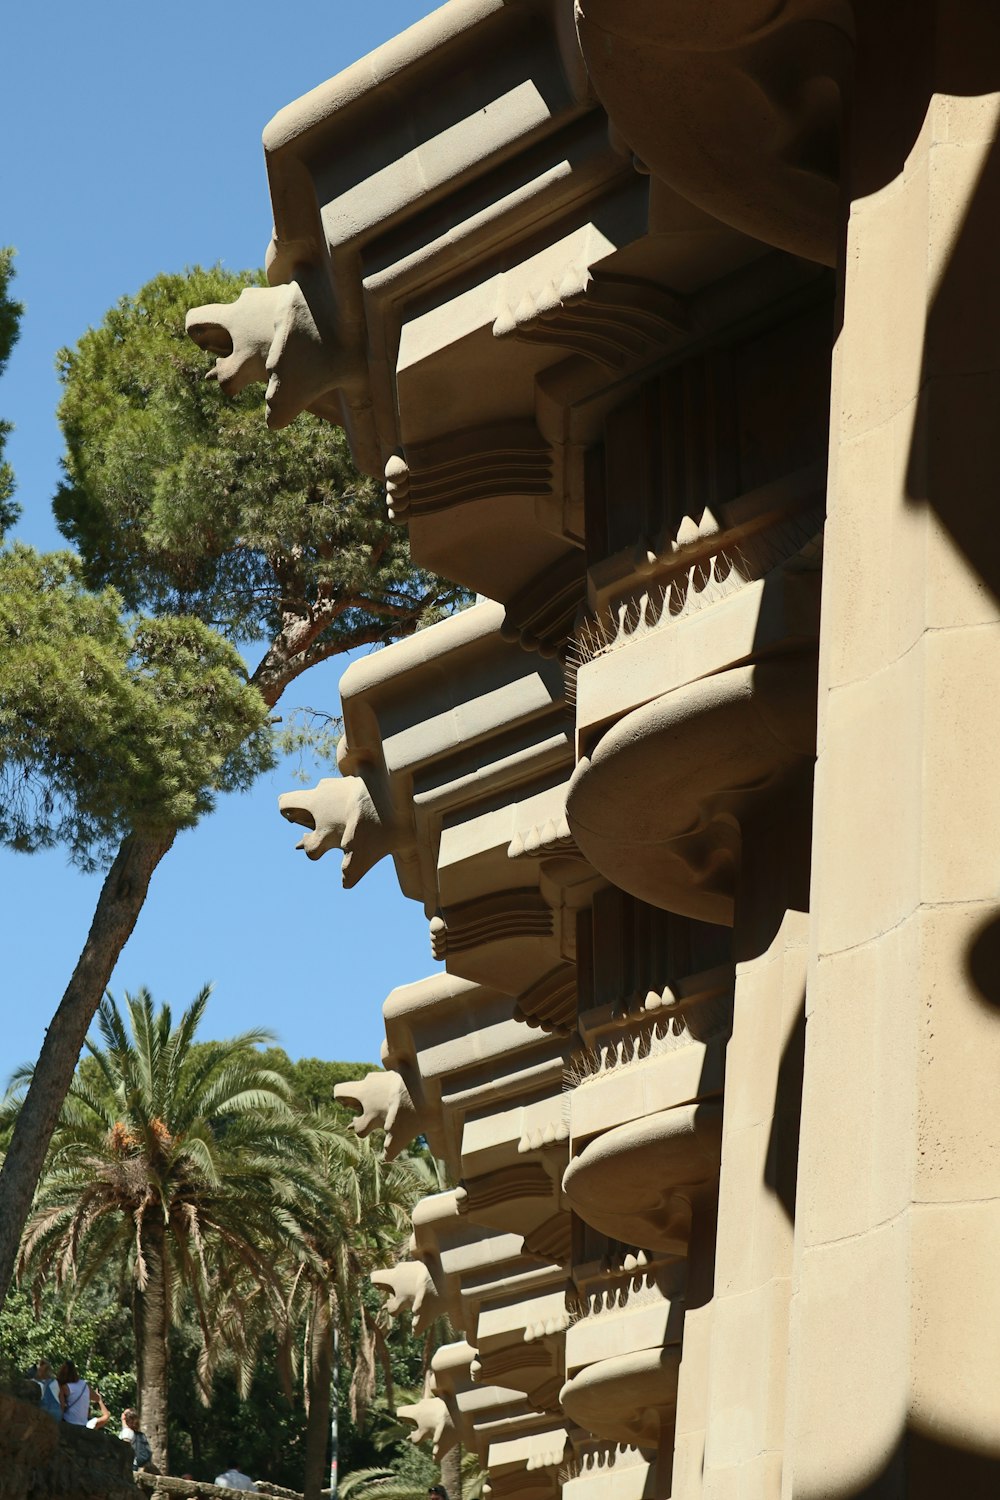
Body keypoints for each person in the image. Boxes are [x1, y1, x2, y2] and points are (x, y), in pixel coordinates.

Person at [57, 1361, 91, 1425]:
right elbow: (96, 1398)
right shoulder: (84, 1384)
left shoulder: (65, 1388)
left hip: (69, 1421)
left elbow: (61, 1405)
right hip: (83, 1423)